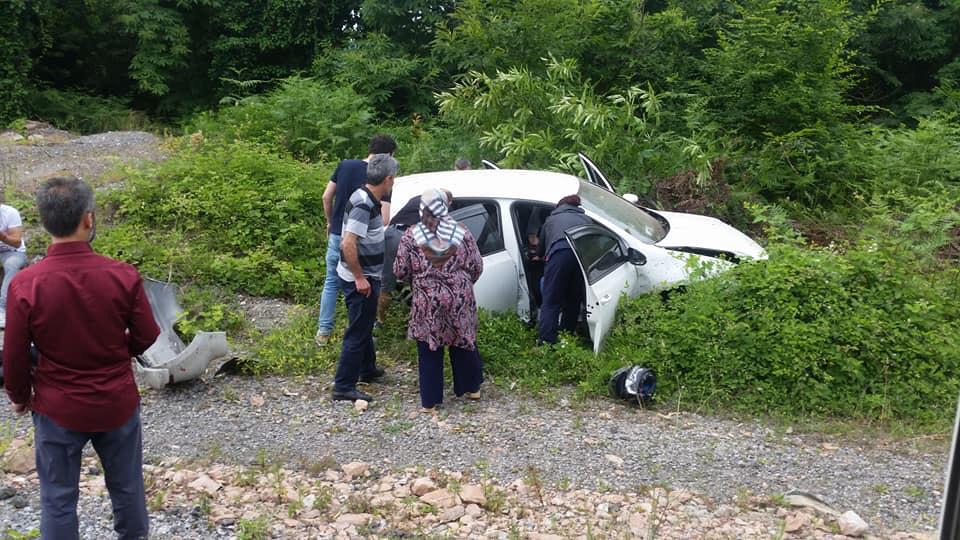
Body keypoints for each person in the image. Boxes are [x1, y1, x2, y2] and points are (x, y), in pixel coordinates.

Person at [3, 177, 160, 540]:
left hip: (57, 406)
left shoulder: (26, 283)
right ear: (89, 220)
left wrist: (20, 396)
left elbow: (13, 354)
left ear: (44, 223)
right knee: (127, 488)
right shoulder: (122, 275)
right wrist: (120, 353)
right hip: (116, 400)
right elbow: (148, 334)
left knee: (58, 498)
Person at [393, 188, 484, 412]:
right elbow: (477, 265)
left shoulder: (411, 235)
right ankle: (471, 388)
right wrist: (460, 283)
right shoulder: (462, 232)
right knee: (463, 339)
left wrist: (420, 280)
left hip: (427, 298)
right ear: (445, 206)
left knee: (428, 348)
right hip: (459, 296)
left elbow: (400, 270)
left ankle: (431, 401)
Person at [316, 134, 397, 346]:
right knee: (363, 286)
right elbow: (385, 217)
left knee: (332, 281)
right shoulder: (382, 176)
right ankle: (361, 335)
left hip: (337, 234)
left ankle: (324, 331)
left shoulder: (345, 165)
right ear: (388, 155)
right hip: (362, 243)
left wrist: (331, 222)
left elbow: (326, 196)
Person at [332, 154, 398, 402]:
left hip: (366, 275)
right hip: (360, 279)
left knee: (364, 323)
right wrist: (360, 278)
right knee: (358, 332)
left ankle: (367, 369)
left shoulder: (365, 196)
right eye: (394, 179)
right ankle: (343, 385)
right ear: (388, 179)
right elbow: (348, 243)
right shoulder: (364, 204)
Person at [377, 189, 452, 325]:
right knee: (420, 280)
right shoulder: (439, 205)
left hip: (391, 234)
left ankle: (380, 322)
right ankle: (417, 321)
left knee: (386, 283)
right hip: (409, 238)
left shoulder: (419, 197)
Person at [537, 194, 592, 344]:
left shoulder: (551, 220)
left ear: (560, 206)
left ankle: (546, 340)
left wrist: (537, 255)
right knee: (573, 300)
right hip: (580, 259)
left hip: (559, 254)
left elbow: (540, 249)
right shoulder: (586, 219)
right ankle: (567, 333)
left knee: (551, 300)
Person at [0, 201, 27, 327]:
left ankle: (2, 309)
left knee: (12, 264)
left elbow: (16, 242)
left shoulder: (10, 212)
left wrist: (2, 236)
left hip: (12, 251)